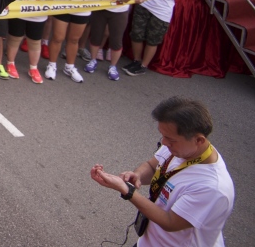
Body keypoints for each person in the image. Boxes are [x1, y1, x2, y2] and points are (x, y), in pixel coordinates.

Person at [90, 96, 234, 247]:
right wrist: (137, 175)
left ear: (199, 140)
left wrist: (127, 190)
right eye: (163, 135)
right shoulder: (182, 149)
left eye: (170, 139)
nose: (164, 143)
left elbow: (170, 222)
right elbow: (152, 166)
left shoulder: (212, 188)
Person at [85, 0, 136, 81]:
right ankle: (93, 60)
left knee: (116, 40)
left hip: (119, 12)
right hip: (100, 8)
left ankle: (113, 66)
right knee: (96, 36)